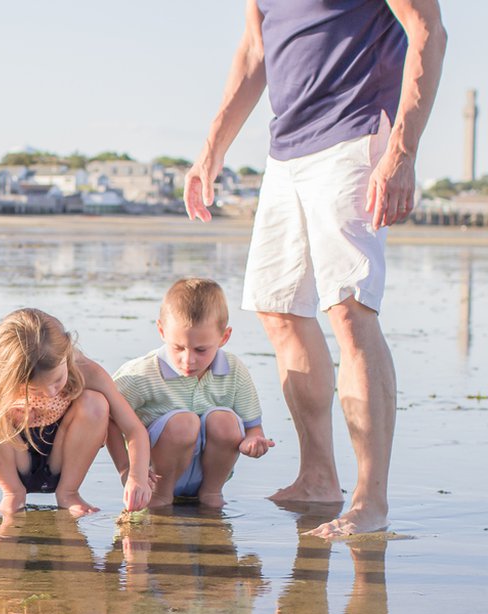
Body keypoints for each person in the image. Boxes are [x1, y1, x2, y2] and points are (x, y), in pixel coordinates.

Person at [183, 0, 446, 537]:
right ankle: (318, 478)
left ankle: (370, 500)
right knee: (279, 311)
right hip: (287, 149)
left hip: (355, 131)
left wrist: (402, 151)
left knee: (350, 311)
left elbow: (427, 31)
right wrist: (212, 148)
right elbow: (256, 49)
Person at [0, 308, 153, 516]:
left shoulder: (86, 370)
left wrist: (136, 475)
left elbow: (133, 429)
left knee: (96, 403)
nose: (50, 392)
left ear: (66, 356)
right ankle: (12, 494)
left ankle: (69, 493)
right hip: (13, 458)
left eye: (57, 381)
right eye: (35, 390)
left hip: (62, 458)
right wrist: (7, 415)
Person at [108, 278, 274, 507]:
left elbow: (253, 426)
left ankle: (212, 494)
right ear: (161, 331)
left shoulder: (234, 370)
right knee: (183, 422)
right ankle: (162, 497)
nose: (188, 360)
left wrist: (254, 440)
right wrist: (127, 469)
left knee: (224, 420)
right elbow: (108, 418)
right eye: (178, 348)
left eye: (201, 350)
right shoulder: (142, 374)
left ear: (224, 337)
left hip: (208, 473)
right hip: (154, 477)